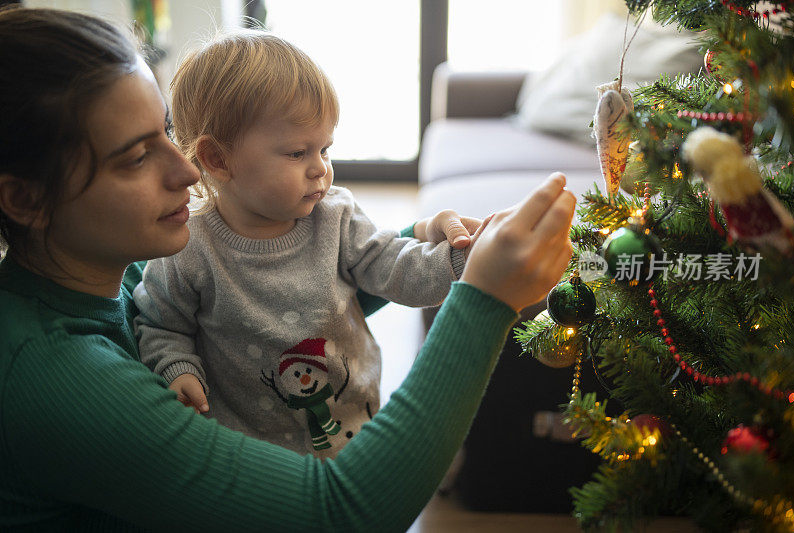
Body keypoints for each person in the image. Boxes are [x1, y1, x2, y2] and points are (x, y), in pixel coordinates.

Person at [0, 7, 575, 531]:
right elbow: (343, 514)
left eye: (166, 135)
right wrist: (484, 299)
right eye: (135, 157)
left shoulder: (113, 274)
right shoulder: (58, 376)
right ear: (24, 199)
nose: (187, 171)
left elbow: (302, 290)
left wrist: (426, 246)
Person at [133, 31, 477, 456]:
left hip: (355, 431)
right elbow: (161, 322)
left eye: (325, 149)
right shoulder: (190, 246)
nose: (320, 170)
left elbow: (392, 264)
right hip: (251, 454)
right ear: (218, 160)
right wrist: (176, 367)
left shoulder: (335, 216)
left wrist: (462, 263)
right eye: (297, 153)